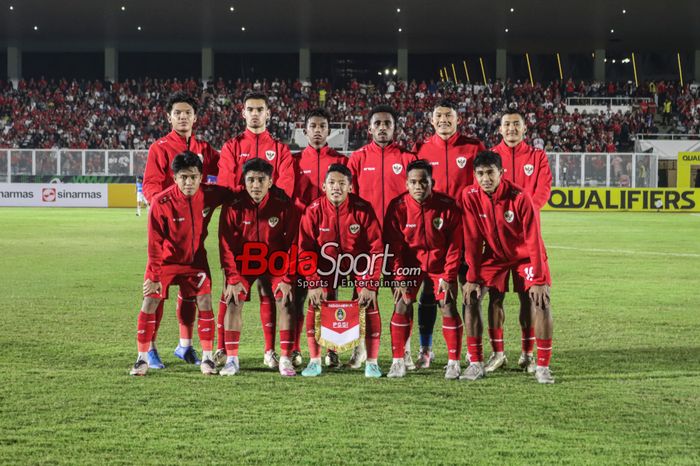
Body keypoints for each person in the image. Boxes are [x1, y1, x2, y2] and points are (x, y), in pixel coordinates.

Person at [129, 151, 231, 376]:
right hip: (164, 262)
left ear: (201, 177)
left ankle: (207, 359)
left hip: (195, 261)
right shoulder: (161, 202)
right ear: (174, 178)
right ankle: (141, 359)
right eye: (183, 177)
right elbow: (154, 244)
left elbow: (235, 194)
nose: (189, 182)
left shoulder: (210, 194)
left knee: (204, 300)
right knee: (149, 302)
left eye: (193, 177)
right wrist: (154, 277)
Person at [459, 151, 554, 384]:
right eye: (480, 174)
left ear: (501, 173)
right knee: (471, 298)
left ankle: (542, 366)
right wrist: (472, 277)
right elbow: (472, 239)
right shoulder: (469, 195)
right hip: (494, 257)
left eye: (490, 173)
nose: (485, 179)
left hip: (525, 257)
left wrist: (539, 279)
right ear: (474, 175)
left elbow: (534, 239)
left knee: (541, 300)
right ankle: (476, 363)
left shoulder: (520, 197)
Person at [141, 92, 220, 370]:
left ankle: (184, 346)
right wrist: (168, 206)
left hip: (195, 236)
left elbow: (226, 173)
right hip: (168, 235)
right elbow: (150, 186)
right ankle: (150, 348)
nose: (183, 117)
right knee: (157, 293)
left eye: (188, 113)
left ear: (195, 117)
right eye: (178, 113)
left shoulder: (206, 149)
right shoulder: (160, 148)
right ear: (169, 117)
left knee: (191, 293)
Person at [216, 92, 295, 368]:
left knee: (271, 293)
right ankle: (223, 350)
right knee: (230, 289)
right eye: (250, 109)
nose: (255, 113)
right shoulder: (232, 146)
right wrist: (250, 198)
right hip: (243, 228)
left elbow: (285, 189)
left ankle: (271, 351)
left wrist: (266, 198)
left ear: (268, 114)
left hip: (272, 231)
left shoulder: (281, 149)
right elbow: (227, 186)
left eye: (260, 109)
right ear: (243, 112)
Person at [411, 99, 486, 368]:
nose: (444, 120)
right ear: (432, 120)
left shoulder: (474, 147)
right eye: (439, 116)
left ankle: (470, 351)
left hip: (465, 233)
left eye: (449, 116)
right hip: (430, 236)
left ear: (458, 119)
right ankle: (425, 349)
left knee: (467, 294)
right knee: (429, 295)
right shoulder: (420, 149)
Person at [297, 164, 384, 378]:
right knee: (316, 300)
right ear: (324, 186)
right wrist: (313, 282)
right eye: (332, 183)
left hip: (359, 262)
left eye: (342, 183)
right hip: (326, 264)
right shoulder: (313, 211)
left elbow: (377, 247)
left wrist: (369, 283)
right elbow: (305, 249)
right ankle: (315, 361)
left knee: (368, 301)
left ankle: (371, 362)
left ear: (350, 187)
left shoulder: (363, 209)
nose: (337, 187)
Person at [345, 104, 414, 370]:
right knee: (361, 293)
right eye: (378, 123)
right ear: (370, 127)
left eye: (388, 123)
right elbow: (351, 200)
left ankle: (404, 351)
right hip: (367, 242)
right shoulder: (358, 158)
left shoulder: (408, 158)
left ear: (395, 128)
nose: (383, 127)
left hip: (401, 240)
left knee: (403, 294)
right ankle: (360, 349)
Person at [218, 159, 299, 377]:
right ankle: (232, 359)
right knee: (233, 299)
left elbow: (293, 242)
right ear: (244, 182)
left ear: (271, 181)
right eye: (251, 180)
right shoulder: (234, 205)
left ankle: (284, 358)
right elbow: (225, 244)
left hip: (275, 262)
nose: (256, 185)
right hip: (244, 263)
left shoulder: (283, 204)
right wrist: (233, 278)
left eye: (261, 180)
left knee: (285, 297)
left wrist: (287, 277)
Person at [383, 160, 464, 379]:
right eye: (413, 182)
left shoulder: (448, 206)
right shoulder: (397, 206)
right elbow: (393, 247)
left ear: (432, 182)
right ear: (406, 184)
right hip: (409, 265)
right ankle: (398, 361)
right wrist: (399, 277)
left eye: (423, 182)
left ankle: (454, 363)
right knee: (402, 303)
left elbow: (455, 246)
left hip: (439, 264)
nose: (418, 186)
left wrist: (448, 276)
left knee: (447, 305)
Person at [486, 109, 553, 373]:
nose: (512, 128)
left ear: (525, 129)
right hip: (496, 241)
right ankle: (498, 353)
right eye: (507, 124)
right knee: (495, 297)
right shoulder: (491, 156)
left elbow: (543, 189)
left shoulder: (537, 156)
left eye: (517, 124)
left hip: (526, 240)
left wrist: (522, 215)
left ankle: (527, 353)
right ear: (499, 129)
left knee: (530, 298)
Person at [291, 108, 348, 367]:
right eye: (312, 126)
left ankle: (332, 348)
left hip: (330, 238)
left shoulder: (340, 161)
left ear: (329, 131)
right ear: (305, 131)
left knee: (330, 294)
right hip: (300, 236)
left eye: (322, 126)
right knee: (298, 294)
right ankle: (294, 348)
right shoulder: (293, 161)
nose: (317, 130)